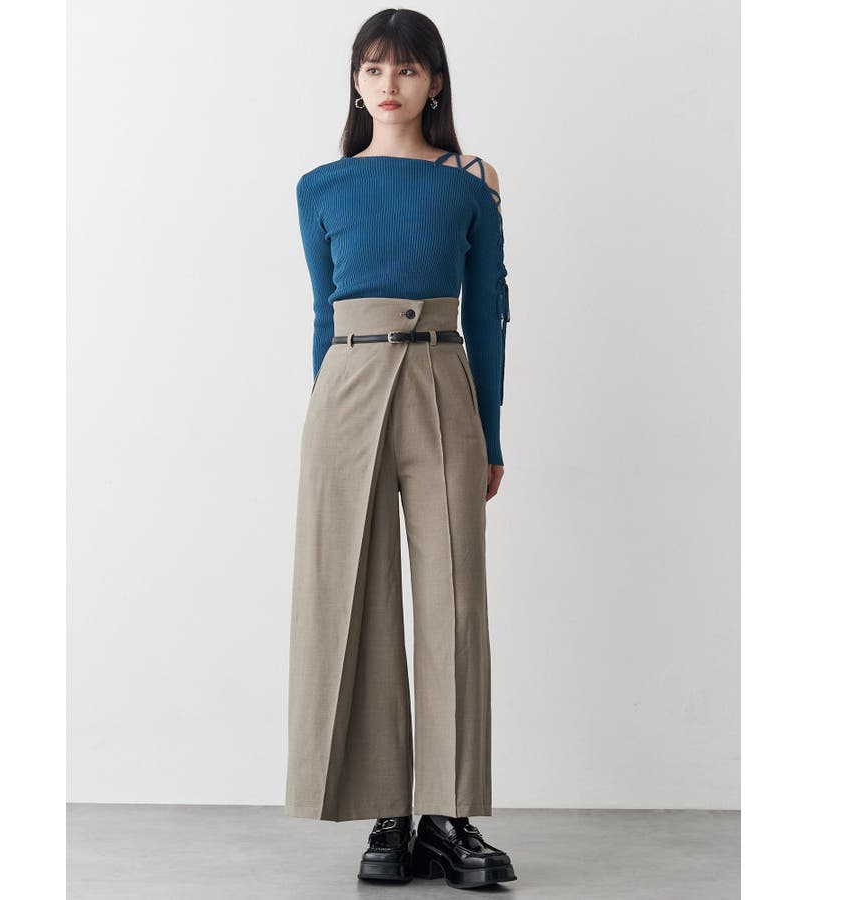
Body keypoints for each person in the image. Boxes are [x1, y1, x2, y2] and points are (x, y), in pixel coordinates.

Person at [285, 8, 516, 889]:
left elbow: (488, 313)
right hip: (345, 387)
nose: (391, 84)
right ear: (355, 81)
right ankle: (387, 811)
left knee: (454, 595)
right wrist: (322, 418)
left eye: (409, 69)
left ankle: (449, 818)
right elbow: (322, 313)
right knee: (354, 592)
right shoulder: (320, 186)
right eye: (375, 68)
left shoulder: (472, 180)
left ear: (435, 82)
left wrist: (490, 432)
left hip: (442, 378)